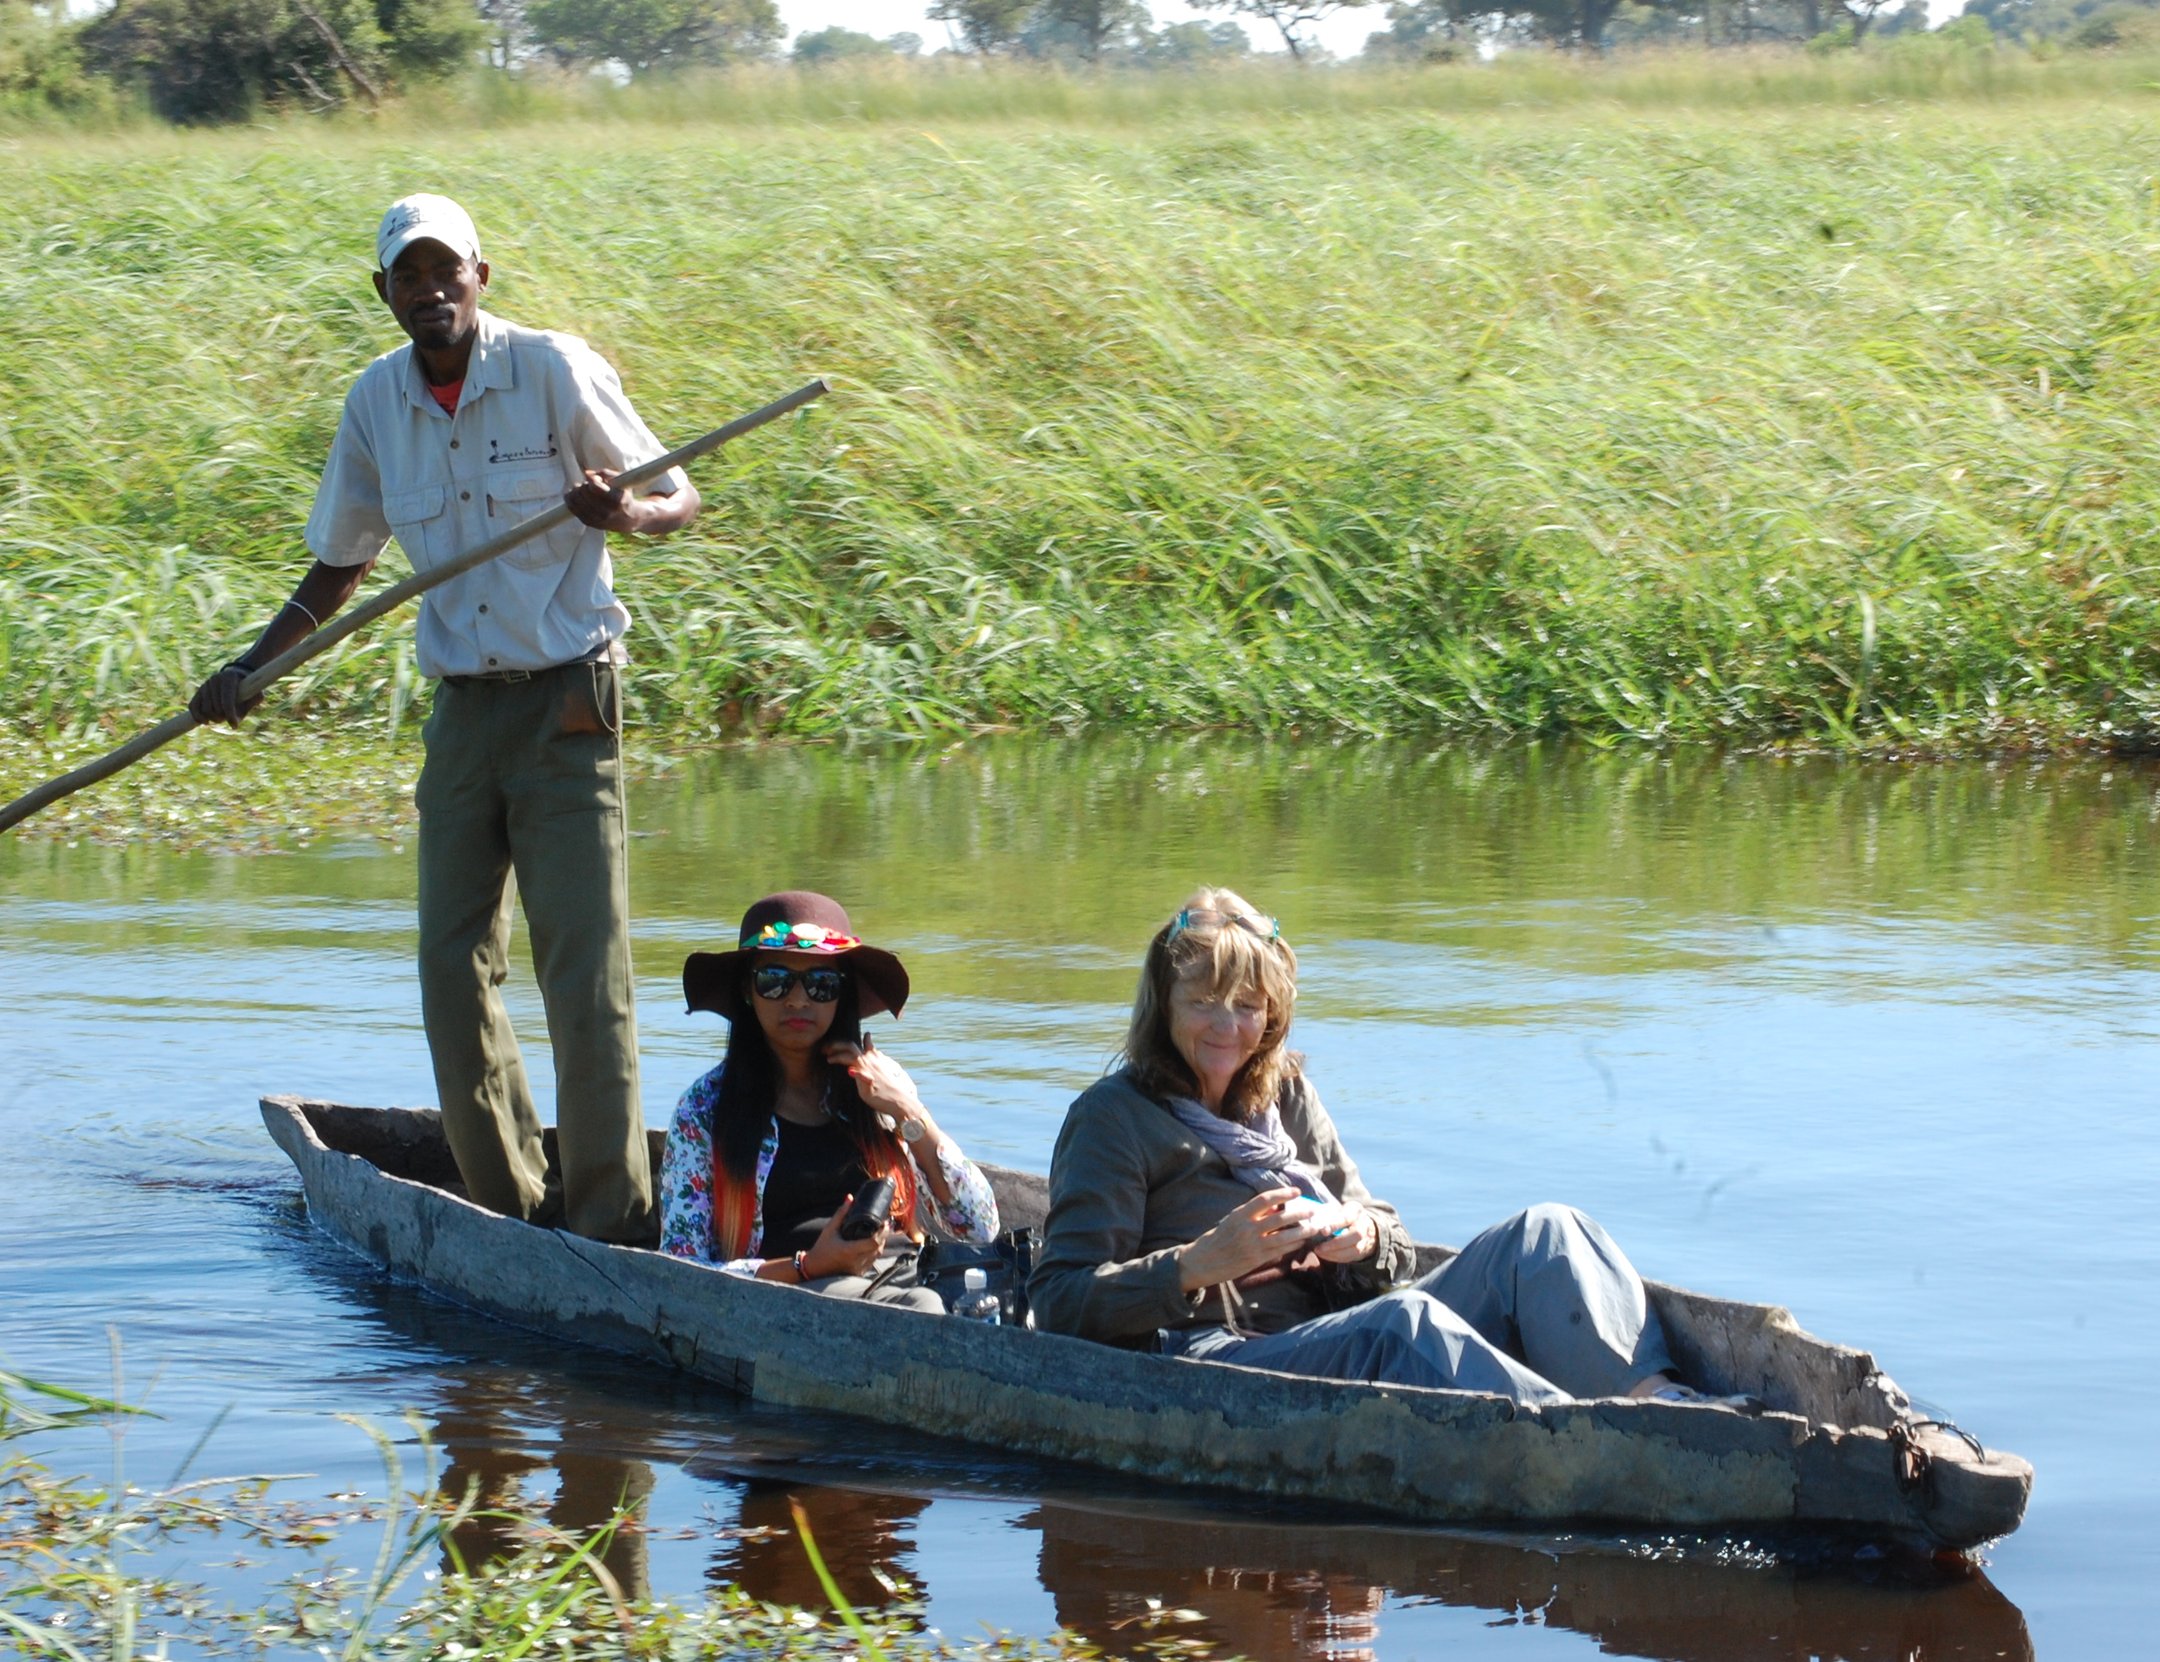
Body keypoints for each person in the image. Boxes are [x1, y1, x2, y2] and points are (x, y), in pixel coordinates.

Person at [186, 194, 700, 1242]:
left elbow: (676, 499)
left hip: (567, 701)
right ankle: (507, 1210)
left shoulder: (551, 369)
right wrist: (250, 668)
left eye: (445, 271)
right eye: (407, 278)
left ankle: (606, 1226)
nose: (429, 291)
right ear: (384, 294)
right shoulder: (378, 403)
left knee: (582, 969)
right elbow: (342, 562)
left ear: (481, 275)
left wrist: (623, 512)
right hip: (464, 711)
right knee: (448, 964)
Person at [1029, 887, 1700, 1407]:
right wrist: (1197, 1265)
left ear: (1273, 1013)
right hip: (1215, 1357)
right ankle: (1582, 1441)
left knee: (1549, 1232)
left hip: (1330, 1322)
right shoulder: (1114, 1119)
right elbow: (1059, 1304)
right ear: (1164, 1004)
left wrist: (1360, 1237)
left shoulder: (1285, 1095)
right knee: (1401, 1326)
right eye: (1205, 1001)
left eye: (1249, 1004)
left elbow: (1389, 1240)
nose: (1229, 1026)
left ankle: (1660, 1407)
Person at [663, 891, 998, 1310]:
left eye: (822, 984)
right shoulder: (704, 1109)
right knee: (924, 1309)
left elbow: (979, 1226)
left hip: (906, 1272)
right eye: (775, 981)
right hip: (799, 1293)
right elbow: (680, 1271)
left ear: (842, 996)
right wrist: (809, 1264)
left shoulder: (876, 1087)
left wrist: (907, 1111)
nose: (799, 1000)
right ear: (748, 990)